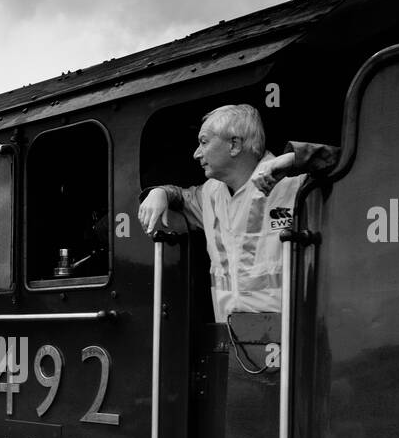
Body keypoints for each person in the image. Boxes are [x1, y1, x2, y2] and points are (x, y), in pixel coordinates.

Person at [137, 104, 339, 323]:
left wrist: (292, 159)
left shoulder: (294, 184)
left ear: (234, 144)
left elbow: (345, 162)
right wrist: (160, 192)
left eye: (204, 142)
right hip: (232, 335)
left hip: (291, 337)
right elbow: (181, 196)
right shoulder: (210, 194)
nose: (196, 153)